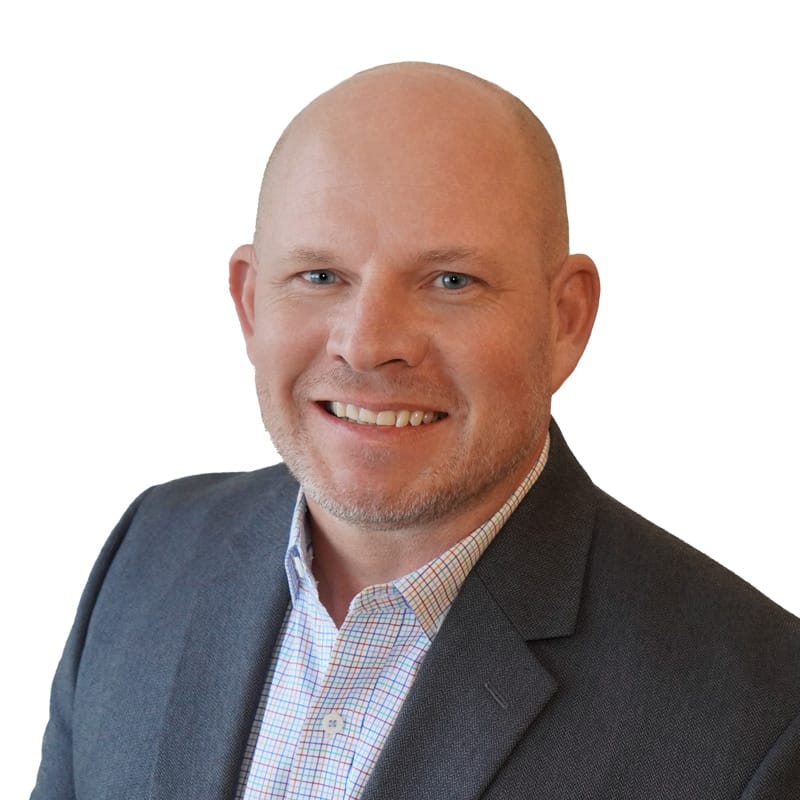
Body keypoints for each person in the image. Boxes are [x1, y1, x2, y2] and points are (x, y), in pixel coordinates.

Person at [32, 62, 800, 800]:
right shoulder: (148, 553)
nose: (367, 344)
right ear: (250, 301)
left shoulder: (760, 717)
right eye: (320, 275)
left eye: (450, 281)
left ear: (565, 320)